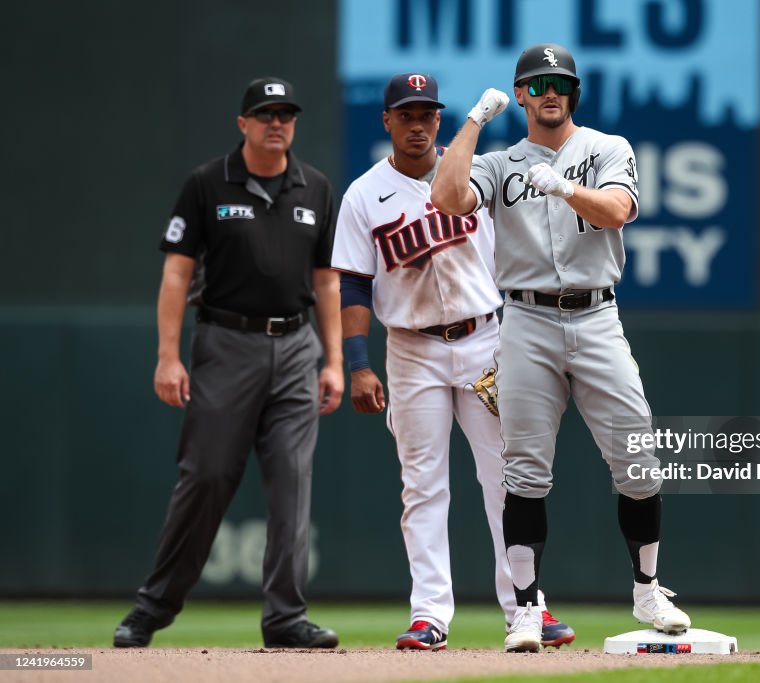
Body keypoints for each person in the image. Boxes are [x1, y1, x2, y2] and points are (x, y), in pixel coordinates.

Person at [431, 44, 691, 652]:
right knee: (523, 471)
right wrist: (472, 120)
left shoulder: (606, 148)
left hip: (597, 314)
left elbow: (620, 210)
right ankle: (526, 610)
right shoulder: (498, 163)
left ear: (574, 93)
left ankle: (648, 588)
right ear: (520, 94)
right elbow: (445, 198)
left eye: (561, 83)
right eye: (538, 83)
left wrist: (566, 190)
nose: (551, 91)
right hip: (524, 319)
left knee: (637, 457)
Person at [331, 72, 575, 650]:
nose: (418, 124)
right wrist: (359, 362)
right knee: (422, 486)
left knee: (508, 480)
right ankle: (429, 614)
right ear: (386, 121)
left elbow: (520, 255)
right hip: (412, 350)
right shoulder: (364, 194)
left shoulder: (475, 175)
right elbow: (353, 285)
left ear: (440, 120)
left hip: (486, 339)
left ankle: (527, 606)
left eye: (427, 115)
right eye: (406, 115)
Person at [113, 77, 344, 649]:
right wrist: (168, 357)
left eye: (286, 114)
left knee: (293, 481)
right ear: (242, 123)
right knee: (208, 476)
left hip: (295, 347)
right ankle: (153, 607)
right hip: (226, 342)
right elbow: (176, 271)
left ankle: (286, 619)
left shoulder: (314, 187)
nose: (276, 122)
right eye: (265, 113)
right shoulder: (207, 183)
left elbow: (327, 280)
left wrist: (334, 359)